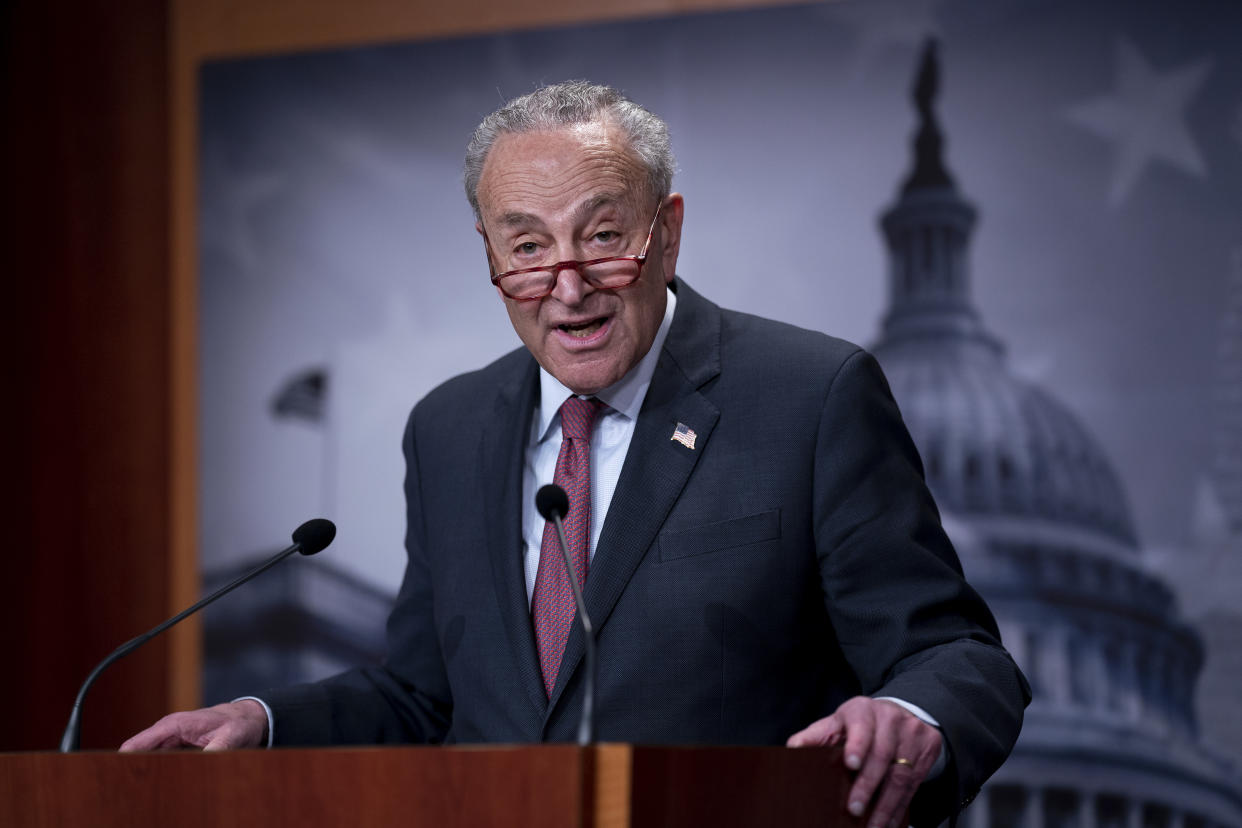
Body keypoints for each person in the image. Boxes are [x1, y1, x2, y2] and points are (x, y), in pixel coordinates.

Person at [122, 81, 1029, 827]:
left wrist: (910, 716)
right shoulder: (450, 426)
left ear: (666, 230)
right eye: (526, 247)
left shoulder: (812, 394)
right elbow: (426, 696)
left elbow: (958, 654)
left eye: (602, 236)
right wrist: (263, 721)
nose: (566, 286)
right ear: (489, 253)